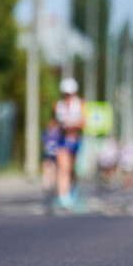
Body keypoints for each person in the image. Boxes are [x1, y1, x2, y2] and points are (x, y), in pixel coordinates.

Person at [53, 77, 85, 208]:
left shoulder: (80, 104)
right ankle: (63, 196)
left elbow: (84, 123)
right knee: (63, 168)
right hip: (62, 140)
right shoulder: (58, 105)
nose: (68, 96)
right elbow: (55, 123)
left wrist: (73, 124)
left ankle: (71, 190)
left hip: (75, 140)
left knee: (71, 169)